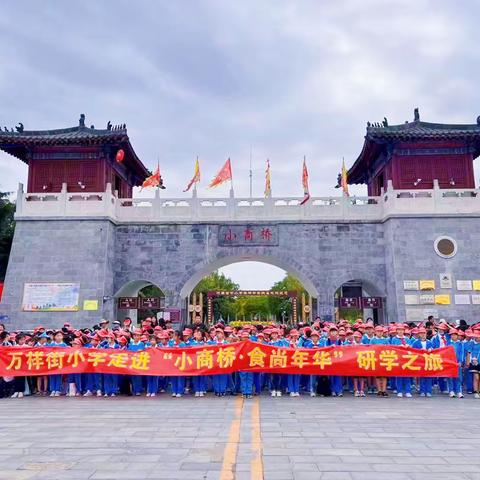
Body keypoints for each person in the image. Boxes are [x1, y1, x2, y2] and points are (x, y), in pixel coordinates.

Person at [411, 327, 433, 397]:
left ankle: (428, 391)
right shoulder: (415, 343)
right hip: (420, 362)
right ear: (419, 334)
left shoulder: (430, 342)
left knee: (429, 377)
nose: (423, 335)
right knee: (422, 377)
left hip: (428, 361)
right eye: (421, 333)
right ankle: (422, 391)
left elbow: (434, 350)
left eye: (424, 333)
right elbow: (413, 351)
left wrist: (431, 349)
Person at [447, 328, 464, 398]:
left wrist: (460, 361)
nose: (453, 336)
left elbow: (462, 353)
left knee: (458, 377)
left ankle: (459, 391)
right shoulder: (448, 343)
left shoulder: (460, 344)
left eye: (455, 335)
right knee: (450, 377)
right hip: (450, 363)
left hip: (457, 363)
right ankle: (451, 391)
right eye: (452, 335)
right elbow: (445, 353)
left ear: (457, 336)